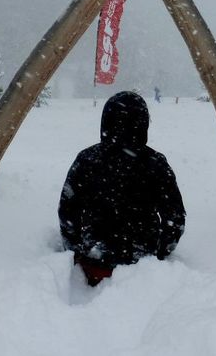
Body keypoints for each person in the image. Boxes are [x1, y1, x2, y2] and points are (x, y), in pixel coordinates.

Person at [58, 91, 186, 286]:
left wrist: (77, 249)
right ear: (143, 124)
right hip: (141, 269)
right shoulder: (156, 163)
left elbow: (68, 211)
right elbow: (174, 218)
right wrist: (160, 254)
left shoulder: (87, 159)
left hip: (94, 264)